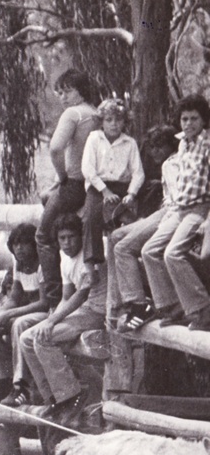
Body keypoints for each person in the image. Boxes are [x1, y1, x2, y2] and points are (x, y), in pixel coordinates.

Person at [19, 214, 107, 428]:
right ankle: (52, 397)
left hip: (98, 310)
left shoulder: (92, 252)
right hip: (81, 310)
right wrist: (49, 320)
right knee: (26, 338)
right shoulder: (64, 257)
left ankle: (69, 396)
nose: (67, 243)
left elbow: (82, 295)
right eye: (62, 238)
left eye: (71, 237)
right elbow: (67, 295)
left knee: (43, 339)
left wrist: (51, 323)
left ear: (81, 237)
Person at [141, 94, 210, 331]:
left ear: (203, 120)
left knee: (172, 253)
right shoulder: (182, 144)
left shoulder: (207, 143)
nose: (188, 124)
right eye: (184, 119)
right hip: (180, 209)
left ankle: (202, 309)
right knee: (149, 250)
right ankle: (174, 306)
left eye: (194, 119)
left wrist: (208, 220)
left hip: (200, 209)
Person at [36, 69, 101, 309]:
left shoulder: (72, 113)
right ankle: (71, 285)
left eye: (68, 90)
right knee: (67, 227)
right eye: (60, 92)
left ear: (81, 90)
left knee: (43, 236)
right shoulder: (96, 114)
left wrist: (61, 177)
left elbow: (55, 149)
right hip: (93, 186)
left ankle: (52, 298)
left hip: (74, 185)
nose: (63, 97)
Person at [0, 224, 48, 406]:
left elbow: (45, 303)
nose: (19, 248)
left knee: (17, 324)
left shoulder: (43, 264)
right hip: (26, 311)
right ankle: (10, 376)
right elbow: (14, 297)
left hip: (44, 312)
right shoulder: (18, 264)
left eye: (24, 243)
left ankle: (21, 385)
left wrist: (10, 313)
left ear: (34, 245)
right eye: (15, 244)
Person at [112, 126, 180, 332]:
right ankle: (127, 300)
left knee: (123, 248)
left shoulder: (174, 161)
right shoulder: (166, 163)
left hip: (171, 212)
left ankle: (140, 305)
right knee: (116, 236)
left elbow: (177, 200)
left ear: (171, 145)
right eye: (152, 147)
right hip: (165, 210)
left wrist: (162, 222)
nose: (155, 152)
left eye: (160, 146)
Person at [80, 98, 145, 265]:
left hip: (122, 187)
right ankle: (93, 260)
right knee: (90, 217)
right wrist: (104, 191)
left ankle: (131, 257)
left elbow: (138, 173)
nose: (114, 124)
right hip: (98, 187)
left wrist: (131, 193)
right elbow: (87, 169)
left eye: (118, 120)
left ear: (124, 121)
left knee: (127, 219)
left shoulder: (129, 143)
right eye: (109, 120)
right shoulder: (94, 138)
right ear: (101, 121)